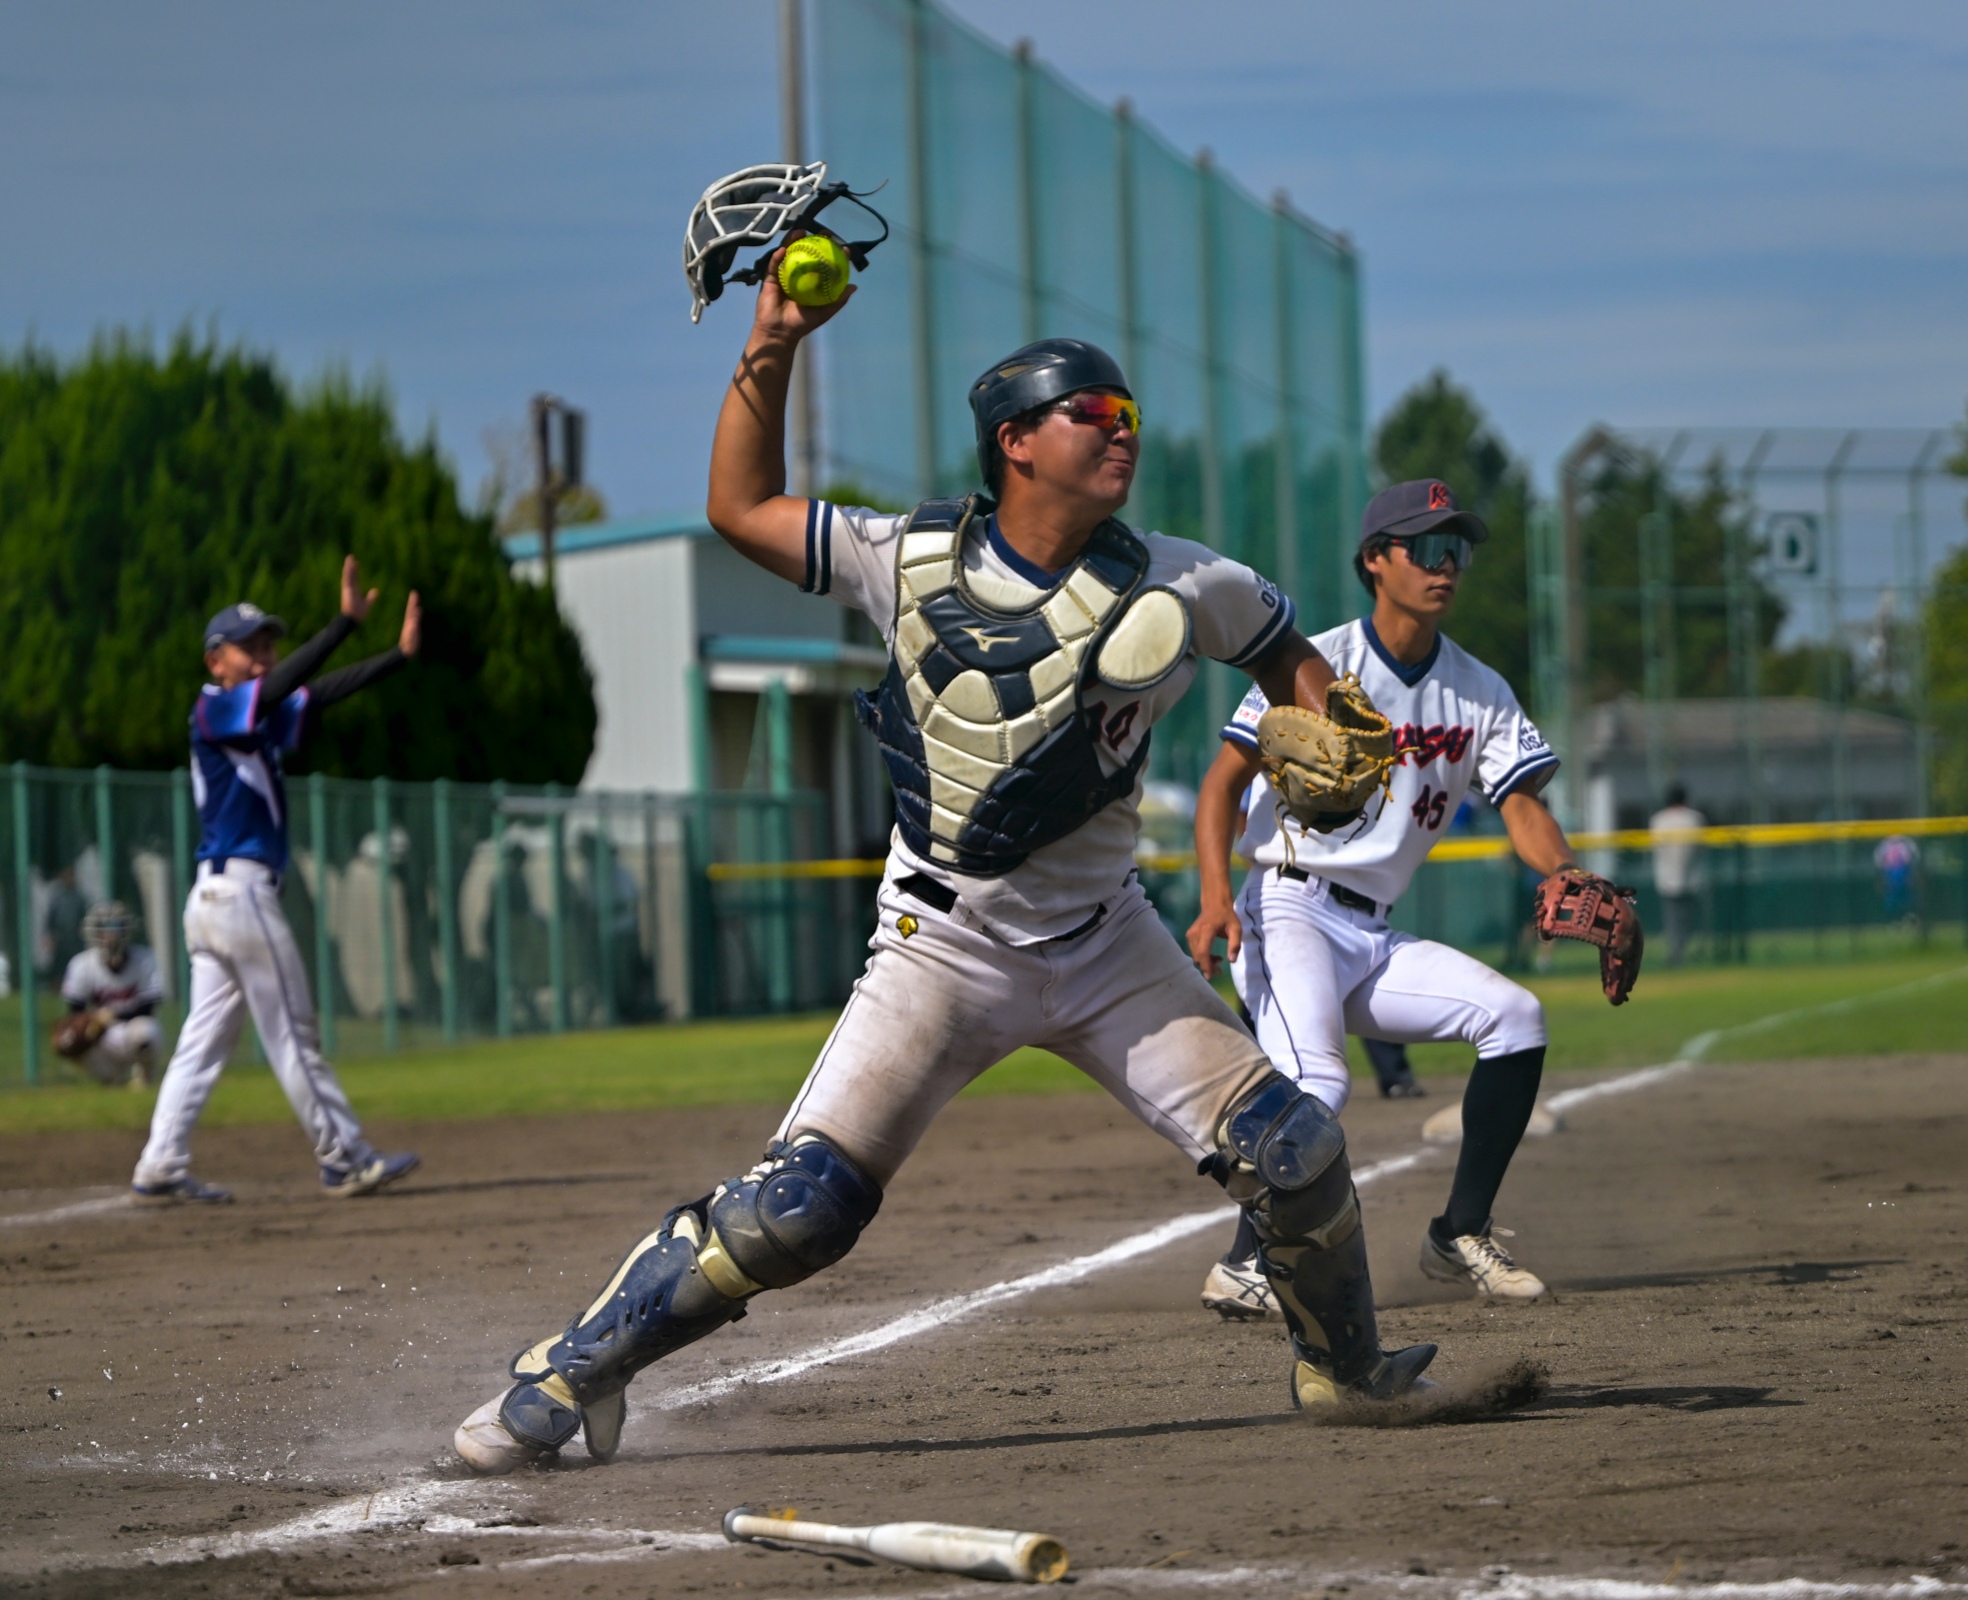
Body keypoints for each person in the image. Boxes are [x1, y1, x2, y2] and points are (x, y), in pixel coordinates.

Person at [452, 257, 1434, 1476]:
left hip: (1107, 944)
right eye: (1094, 412)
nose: (1123, 431)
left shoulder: (1185, 578)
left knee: (1294, 1152)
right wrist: (773, 340)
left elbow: (1286, 654)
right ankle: (568, 1373)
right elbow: (740, 508)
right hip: (943, 942)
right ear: (1015, 440)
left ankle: (1343, 1371)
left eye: (1129, 413)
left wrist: (1328, 725)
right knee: (801, 1208)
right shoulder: (904, 555)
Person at [1185, 477, 1573, 1316]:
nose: (1444, 565)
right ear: (1373, 561)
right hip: (1286, 906)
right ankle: (1244, 1264)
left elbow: (1521, 806)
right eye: (1424, 548)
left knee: (1515, 1018)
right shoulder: (1312, 663)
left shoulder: (1478, 688)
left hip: (1372, 932)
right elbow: (1220, 787)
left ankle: (1458, 1234)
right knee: (1318, 1087)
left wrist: (1567, 874)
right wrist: (1215, 898)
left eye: (1455, 549)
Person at [129, 561, 424, 1204]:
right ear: (215, 662)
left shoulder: (253, 718)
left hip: (215, 901)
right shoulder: (213, 709)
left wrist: (396, 658)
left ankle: (160, 1162)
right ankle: (345, 1157)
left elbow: (316, 693)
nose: (265, 654)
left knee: (201, 1043)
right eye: (250, 645)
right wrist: (342, 625)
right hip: (240, 897)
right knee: (294, 1033)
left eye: (268, 643)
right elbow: (286, 686)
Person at [58, 901, 163, 1087]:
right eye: (104, 929)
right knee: (77, 1039)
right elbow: (75, 1010)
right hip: (103, 1034)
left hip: (132, 1028)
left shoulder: (144, 959)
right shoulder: (81, 964)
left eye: (116, 927)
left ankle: (143, 1077)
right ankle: (111, 1079)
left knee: (148, 1032)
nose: (111, 935)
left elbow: (148, 1008)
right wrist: (91, 1022)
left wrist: (112, 1015)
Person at [1648, 784, 1705, 966]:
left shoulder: (1658, 819)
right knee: (1686, 919)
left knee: (1673, 919)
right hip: (1691, 876)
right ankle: (1679, 952)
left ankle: (1676, 952)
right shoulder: (1694, 818)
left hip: (1668, 877)